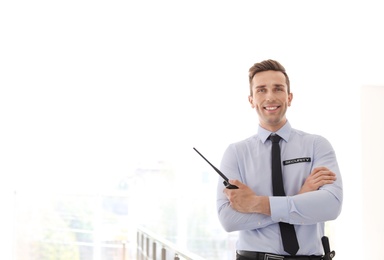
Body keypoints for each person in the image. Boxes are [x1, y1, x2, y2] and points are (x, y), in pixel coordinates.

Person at [217, 59, 343, 259]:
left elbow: (331, 205)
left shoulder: (317, 145)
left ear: (289, 97)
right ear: (251, 100)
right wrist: (301, 198)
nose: (270, 97)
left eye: (278, 89)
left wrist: (255, 203)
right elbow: (229, 219)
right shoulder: (236, 153)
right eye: (261, 90)